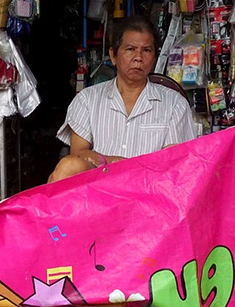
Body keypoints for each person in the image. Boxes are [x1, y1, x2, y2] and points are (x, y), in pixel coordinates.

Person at [49, 15, 197, 182]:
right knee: (67, 166)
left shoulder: (174, 104)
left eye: (146, 50)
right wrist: (114, 163)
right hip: (98, 191)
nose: (138, 57)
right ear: (113, 55)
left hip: (149, 193)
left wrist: (132, 171)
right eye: (130, 49)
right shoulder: (87, 100)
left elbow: (176, 165)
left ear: (154, 58)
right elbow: (78, 154)